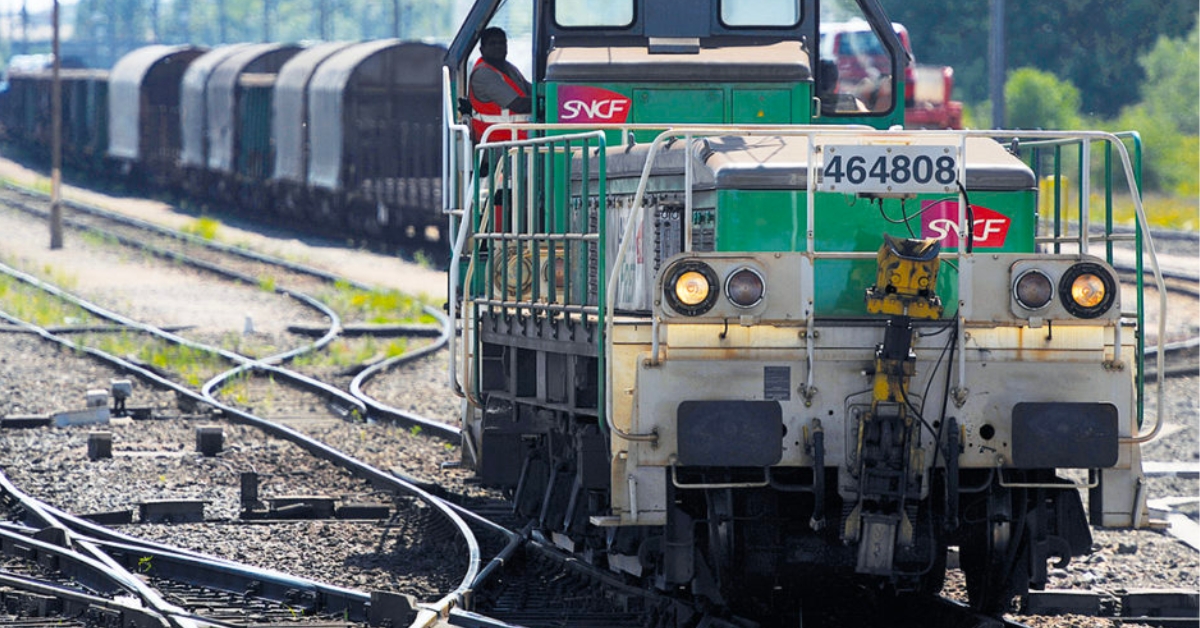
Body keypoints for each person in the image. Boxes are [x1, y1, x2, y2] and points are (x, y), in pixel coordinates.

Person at [469, 27, 531, 143]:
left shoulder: (509, 69)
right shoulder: (483, 74)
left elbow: (531, 90)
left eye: (502, 43)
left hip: (516, 139)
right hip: (496, 145)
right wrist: (550, 102)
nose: (498, 46)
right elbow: (518, 104)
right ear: (482, 49)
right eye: (492, 43)